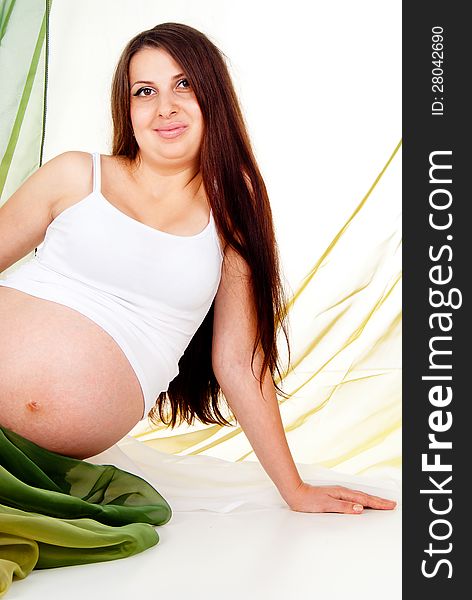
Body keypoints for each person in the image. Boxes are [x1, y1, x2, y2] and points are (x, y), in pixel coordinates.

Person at [0, 22, 396, 575]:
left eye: (183, 85)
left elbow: (237, 360)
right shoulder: (75, 175)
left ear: (212, 95)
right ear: (127, 108)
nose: (165, 106)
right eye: (145, 91)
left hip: (33, 459)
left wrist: (295, 489)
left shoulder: (232, 206)